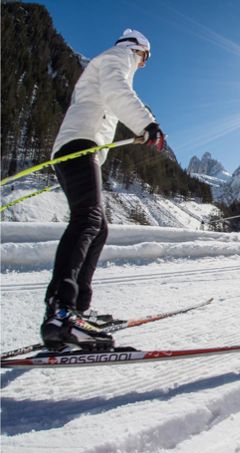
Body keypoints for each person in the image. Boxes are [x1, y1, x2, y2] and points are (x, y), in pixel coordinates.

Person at [41, 29, 165, 351]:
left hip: (81, 146)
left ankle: (77, 310)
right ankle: (61, 312)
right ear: (140, 50)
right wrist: (146, 124)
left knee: (98, 227)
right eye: (146, 59)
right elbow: (116, 90)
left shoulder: (107, 62)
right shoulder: (118, 57)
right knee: (87, 220)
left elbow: (105, 101)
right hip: (80, 146)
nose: (143, 65)